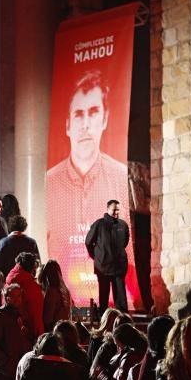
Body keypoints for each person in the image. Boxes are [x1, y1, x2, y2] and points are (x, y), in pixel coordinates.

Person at [46, 70, 129, 287]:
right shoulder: (50, 182)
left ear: (105, 119)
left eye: (93, 112)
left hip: (114, 272)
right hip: (73, 286)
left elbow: (126, 240)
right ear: (67, 125)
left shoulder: (120, 177)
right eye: (78, 114)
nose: (85, 124)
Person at [85, 199, 130, 314]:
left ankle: (123, 320)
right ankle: (103, 320)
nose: (116, 212)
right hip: (103, 267)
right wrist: (97, 257)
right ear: (108, 209)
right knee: (103, 297)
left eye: (118, 210)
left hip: (119, 267)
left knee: (121, 298)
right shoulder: (99, 224)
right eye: (114, 209)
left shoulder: (123, 225)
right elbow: (88, 242)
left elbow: (124, 242)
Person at [6, 252, 44, 344]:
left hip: (9, 328)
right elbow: (35, 313)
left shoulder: (9, 280)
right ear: (32, 267)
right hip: (27, 332)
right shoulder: (30, 285)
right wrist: (38, 334)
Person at [39, 260, 73, 332]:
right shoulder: (65, 289)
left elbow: (47, 320)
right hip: (65, 330)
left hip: (55, 333)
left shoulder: (52, 292)